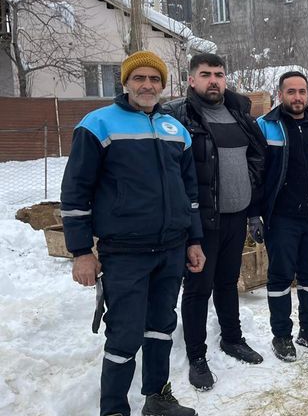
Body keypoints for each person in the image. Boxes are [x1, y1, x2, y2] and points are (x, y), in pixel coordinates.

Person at [61, 50, 205, 416]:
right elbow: (76, 193)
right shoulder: (98, 125)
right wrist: (80, 252)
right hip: (125, 253)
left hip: (171, 250)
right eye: (139, 78)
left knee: (160, 327)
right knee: (124, 333)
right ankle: (113, 409)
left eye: (154, 79)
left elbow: (190, 194)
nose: (147, 85)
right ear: (124, 82)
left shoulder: (176, 129)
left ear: (162, 84)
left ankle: (156, 399)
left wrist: (194, 240)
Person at [162, 53, 267, 391]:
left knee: (227, 282)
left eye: (219, 74)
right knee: (197, 289)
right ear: (191, 80)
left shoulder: (238, 113)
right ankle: (196, 356)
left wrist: (247, 189)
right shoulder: (179, 116)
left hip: (236, 216)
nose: (213, 80)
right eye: (205, 74)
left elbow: (257, 154)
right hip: (201, 221)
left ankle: (232, 339)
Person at [250, 71, 308, 361]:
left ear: (307, 94)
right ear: (280, 95)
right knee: (280, 276)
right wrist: (254, 215)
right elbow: (255, 175)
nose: (297, 97)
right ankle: (281, 336)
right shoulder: (265, 127)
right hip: (281, 217)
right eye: (291, 92)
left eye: (302, 91)